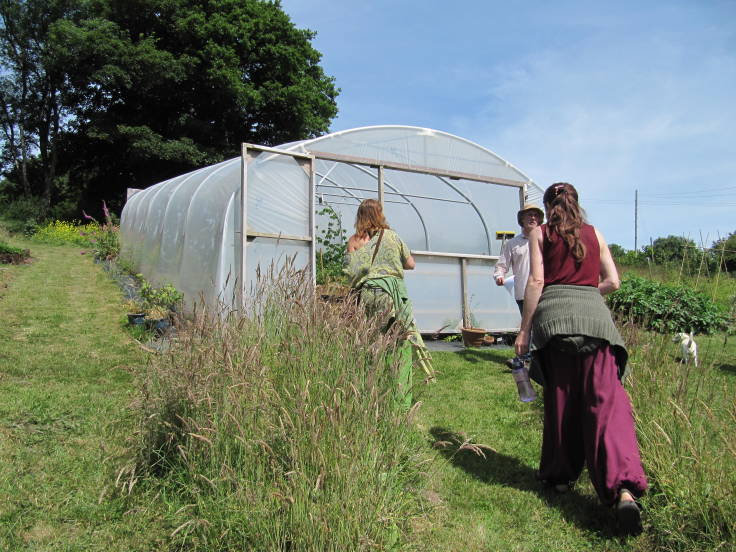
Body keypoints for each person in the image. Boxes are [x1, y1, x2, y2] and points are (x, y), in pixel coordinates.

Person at [515, 182, 647, 534]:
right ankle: (623, 490)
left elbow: (536, 281)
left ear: (547, 206)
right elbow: (613, 282)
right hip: (597, 324)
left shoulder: (540, 233)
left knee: (562, 401)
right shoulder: (595, 233)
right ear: (576, 204)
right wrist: (586, 291)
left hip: (555, 322)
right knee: (606, 405)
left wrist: (524, 330)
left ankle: (560, 478)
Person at [345, 199, 433, 408]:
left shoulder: (354, 241)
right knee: (398, 344)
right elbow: (411, 264)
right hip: (390, 296)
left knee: (369, 342)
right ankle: (399, 401)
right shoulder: (392, 237)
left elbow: (349, 272)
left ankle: (370, 393)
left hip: (365, 296)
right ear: (379, 214)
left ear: (360, 216)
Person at [494, 203, 544, 366]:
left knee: (542, 325)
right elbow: (501, 265)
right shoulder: (513, 244)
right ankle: (529, 358)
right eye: (529, 215)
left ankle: (534, 358)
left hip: (545, 290)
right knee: (528, 325)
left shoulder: (546, 239)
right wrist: (499, 276)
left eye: (536, 215)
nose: (532, 217)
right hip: (523, 292)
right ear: (521, 219)